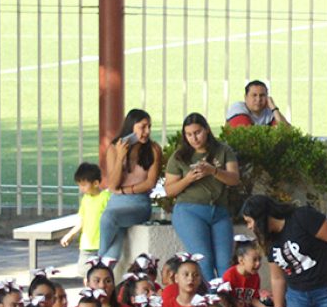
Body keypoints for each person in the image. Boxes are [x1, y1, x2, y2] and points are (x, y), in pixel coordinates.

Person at [164, 115, 241, 281]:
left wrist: (213, 171)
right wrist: (189, 178)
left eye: (197, 132)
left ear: (206, 129)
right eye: (189, 134)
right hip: (190, 210)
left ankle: (225, 299)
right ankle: (209, 302)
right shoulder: (179, 156)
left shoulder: (223, 150)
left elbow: (234, 179)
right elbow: (169, 190)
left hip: (219, 211)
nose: (194, 138)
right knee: (203, 260)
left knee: (224, 262)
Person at [97, 110, 161, 264]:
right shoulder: (114, 148)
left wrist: (127, 190)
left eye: (149, 127)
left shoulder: (153, 149)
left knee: (108, 217)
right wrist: (120, 157)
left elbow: (150, 182)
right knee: (114, 247)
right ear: (131, 126)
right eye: (143, 127)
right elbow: (112, 184)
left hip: (139, 203)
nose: (147, 132)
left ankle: (96, 264)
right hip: (116, 204)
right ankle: (101, 275)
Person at [59, 164, 108, 260]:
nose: (81, 188)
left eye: (84, 185)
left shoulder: (106, 197)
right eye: (79, 185)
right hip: (86, 244)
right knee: (84, 271)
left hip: (101, 244)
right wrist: (70, 234)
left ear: (96, 183)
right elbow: (81, 220)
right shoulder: (85, 199)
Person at [226, 81, 291, 128]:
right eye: (254, 95)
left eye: (262, 95)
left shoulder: (269, 111)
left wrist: (273, 108)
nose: (258, 99)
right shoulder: (237, 109)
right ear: (245, 97)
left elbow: (287, 131)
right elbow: (249, 139)